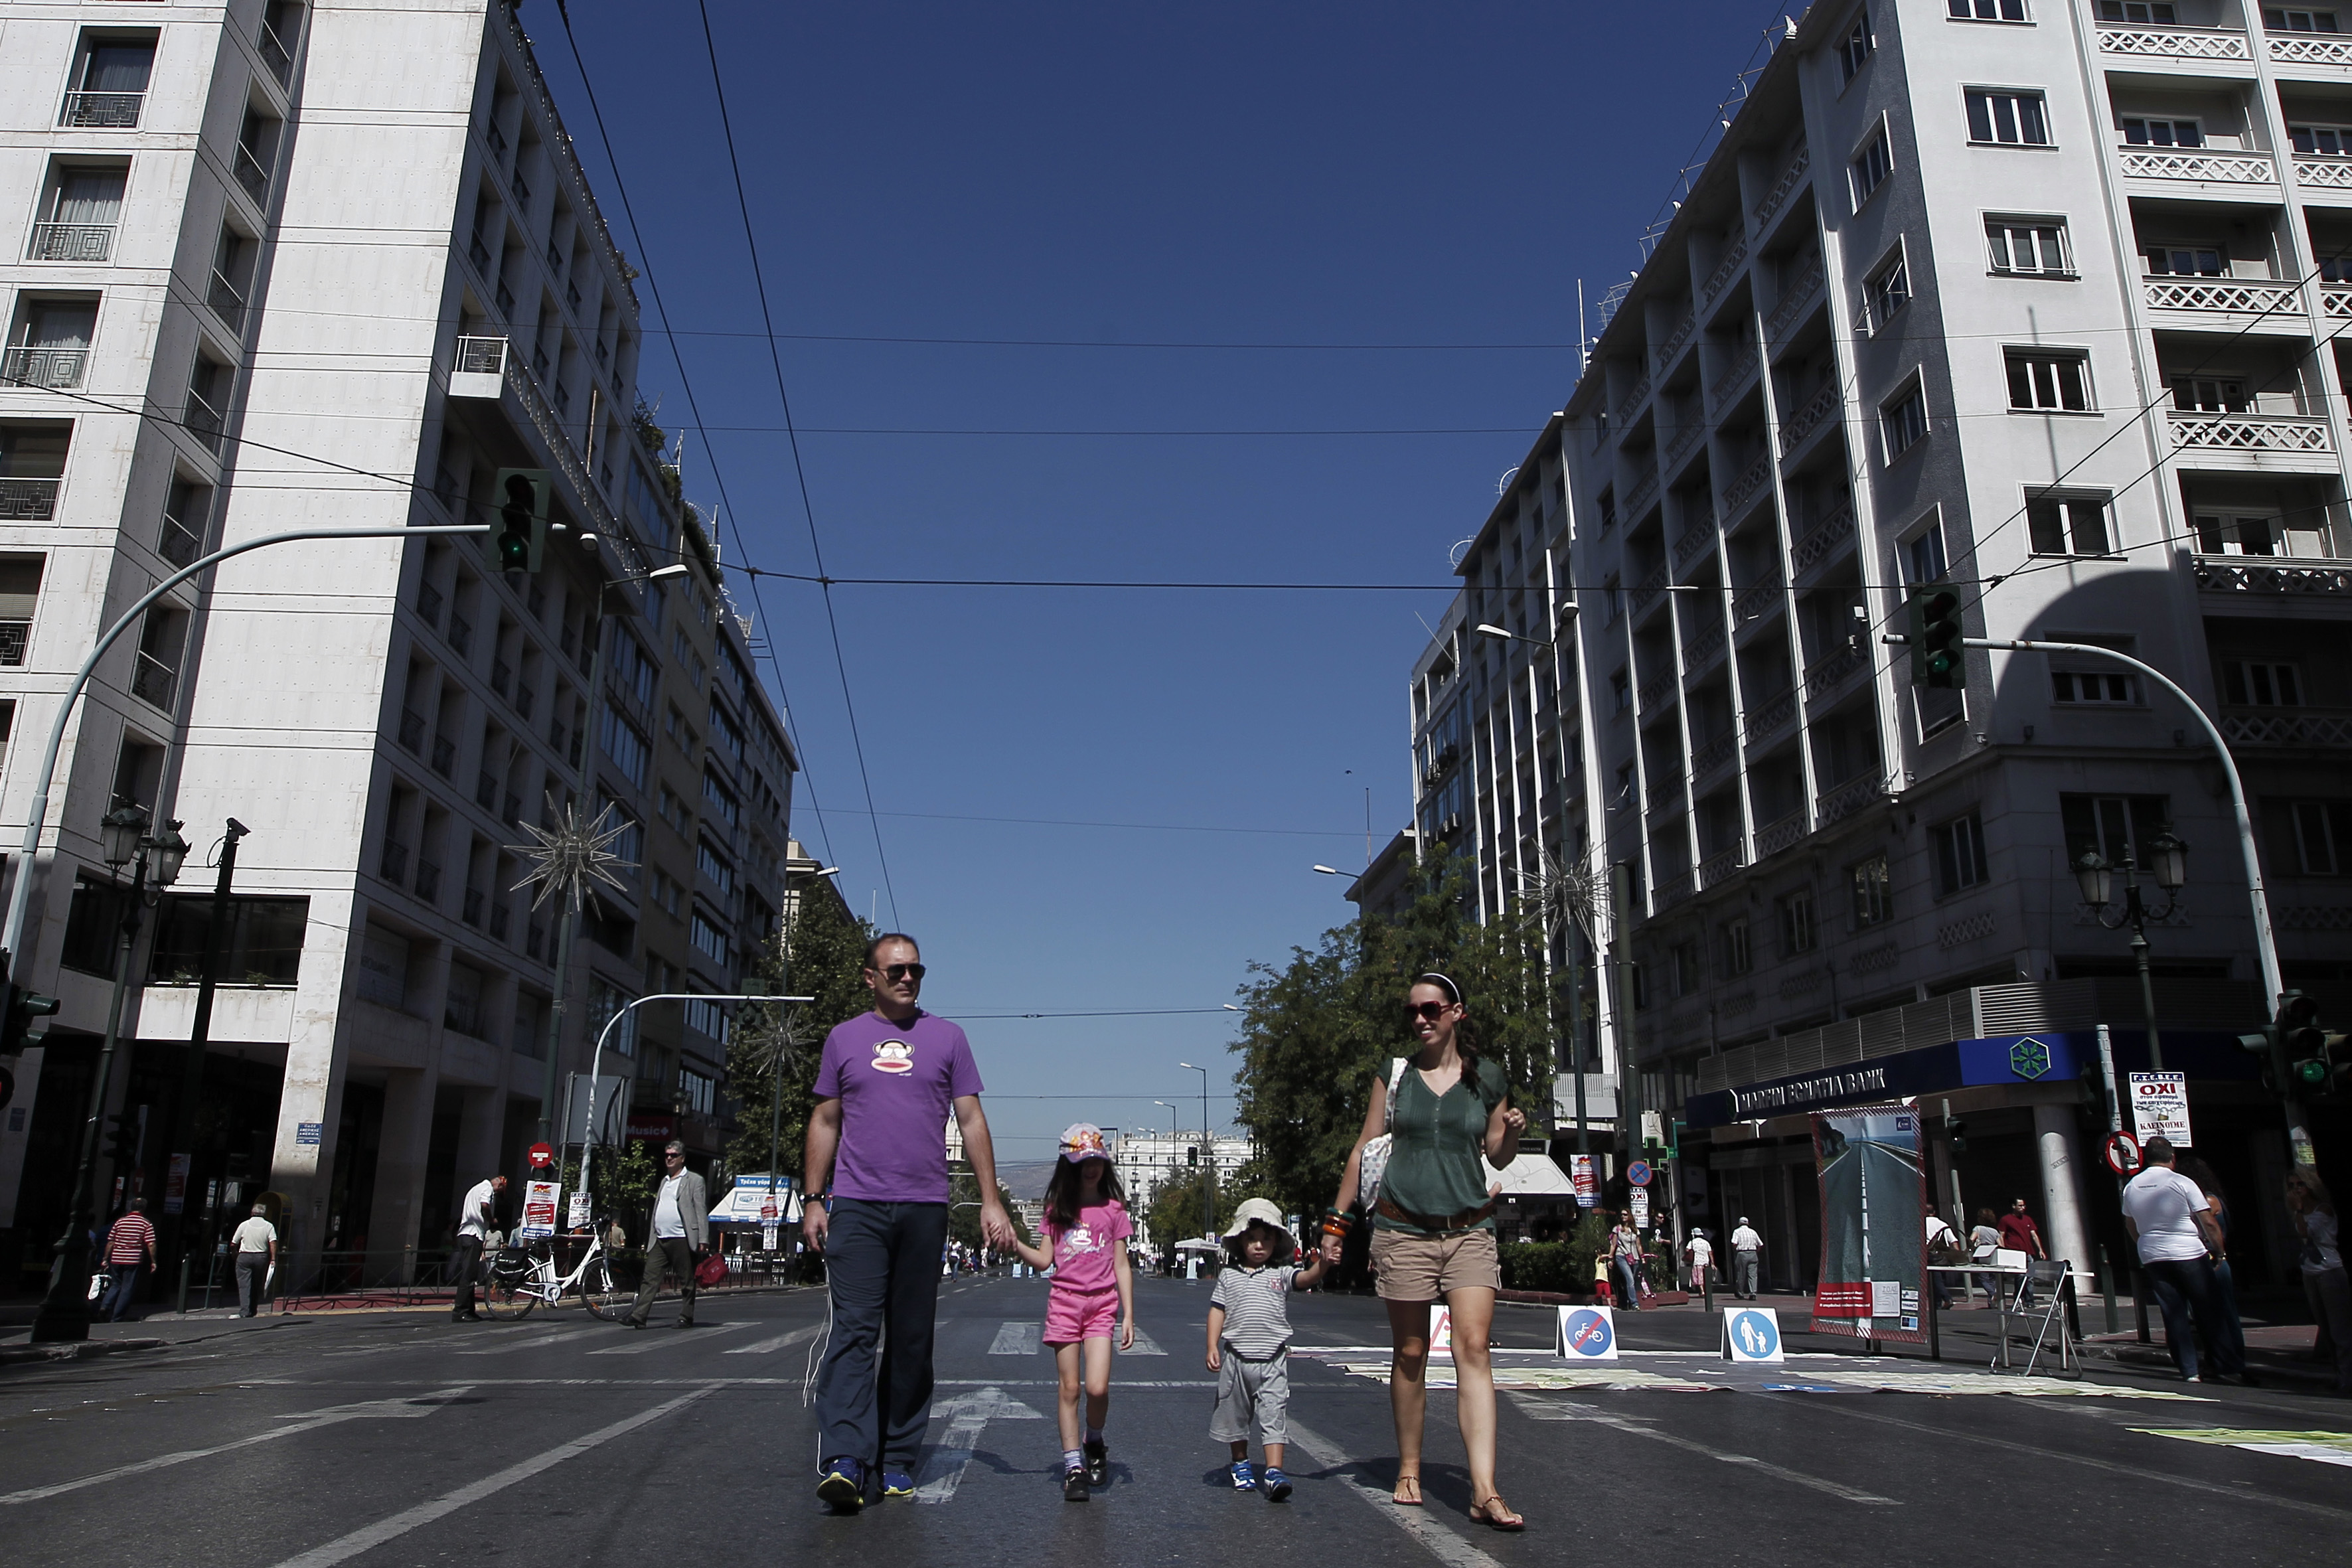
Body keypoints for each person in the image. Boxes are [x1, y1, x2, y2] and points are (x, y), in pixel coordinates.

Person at [807, 934, 1015, 1511]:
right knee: (853, 1333)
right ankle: (846, 1459)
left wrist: (992, 1200)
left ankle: (897, 1455)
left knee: (911, 1338)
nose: (907, 977)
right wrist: (813, 1198)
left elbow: (971, 1120)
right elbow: (825, 1118)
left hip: (925, 1207)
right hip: (856, 1205)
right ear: (869, 977)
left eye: (915, 969)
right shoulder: (843, 1038)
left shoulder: (948, 1037)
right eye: (895, 969)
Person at [1321, 971, 1528, 1532]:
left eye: (1431, 1009)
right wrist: (1335, 1225)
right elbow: (1365, 1147)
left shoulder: (1486, 1077)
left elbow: (1498, 1156)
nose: (1420, 1019)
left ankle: (1483, 1489)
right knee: (1410, 1351)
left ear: (1455, 1012)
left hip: (1468, 1230)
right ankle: (1408, 1468)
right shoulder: (1396, 1076)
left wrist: (1510, 1130)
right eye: (1412, 1011)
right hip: (1402, 1230)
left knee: (1474, 1349)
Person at [1006, 1124, 1136, 1502]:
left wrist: (1128, 1314)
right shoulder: (1057, 1210)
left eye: (1096, 1160)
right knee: (1069, 1388)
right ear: (1069, 1165)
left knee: (1098, 1387)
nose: (1090, 1168)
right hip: (1065, 1303)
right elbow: (1045, 1259)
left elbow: (1122, 1264)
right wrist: (1014, 1244)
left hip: (1101, 1305)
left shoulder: (1113, 1210)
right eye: (1082, 1162)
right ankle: (1073, 1465)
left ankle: (1093, 1440)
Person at [1208, 1198, 1327, 1500]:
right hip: (1236, 1359)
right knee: (1235, 1416)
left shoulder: (1281, 1274)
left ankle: (1274, 1471)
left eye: (1265, 1240)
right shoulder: (1229, 1276)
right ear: (1240, 1242)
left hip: (1273, 1360)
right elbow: (1217, 1310)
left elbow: (1306, 1278)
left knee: (1274, 1414)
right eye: (1252, 1240)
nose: (1258, 1246)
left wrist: (1323, 1264)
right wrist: (1212, 1344)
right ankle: (1240, 1462)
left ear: (1276, 1242)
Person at [2120, 1137, 2246, 1385]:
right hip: (2188, 1252)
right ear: (2172, 1157)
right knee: (2209, 1310)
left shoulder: (2132, 1186)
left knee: (2173, 1313)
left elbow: (2130, 1223)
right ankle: (2225, 1365)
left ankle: (2189, 1370)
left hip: (2153, 1255)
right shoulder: (2181, 1182)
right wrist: (2219, 1251)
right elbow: (2208, 1221)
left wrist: (2144, 1243)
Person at [2175, 1155, 2247, 1382]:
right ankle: (2221, 1360)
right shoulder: (2214, 1198)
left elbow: (2209, 1226)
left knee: (2221, 1313)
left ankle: (2231, 1361)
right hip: (2213, 1259)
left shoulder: (2207, 1201)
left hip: (2212, 1259)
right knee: (2215, 1313)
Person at [623, 1141, 709, 1329]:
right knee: (649, 1277)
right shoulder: (664, 1181)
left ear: (682, 1158)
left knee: (686, 1280)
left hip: (682, 1238)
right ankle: (639, 1315)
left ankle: (686, 1316)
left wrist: (703, 1238)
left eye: (674, 1155)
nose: (669, 1158)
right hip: (660, 1238)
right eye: (667, 1155)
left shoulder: (694, 1180)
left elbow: (700, 1210)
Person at [2284, 1170, 2352, 1397]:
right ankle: (2338, 1373)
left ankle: (2347, 1376)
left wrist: (2300, 1209)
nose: (2297, 1188)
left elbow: (2307, 1234)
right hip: (2310, 1270)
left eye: (2301, 1184)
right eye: (2292, 1185)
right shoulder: (2299, 1212)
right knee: (2324, 1323)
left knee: (2339, 1327)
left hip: (2329, 1270)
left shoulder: (2322, 1209)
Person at [449, 1172, 507, 1322]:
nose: (496, 1195)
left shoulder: (474, 1189)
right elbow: (484, 1205)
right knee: (469, 1276)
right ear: (499, 1185)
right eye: (499, 1192)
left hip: (464, 1235)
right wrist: (491, 1220)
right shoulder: (487, 1188)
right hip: (473, 1235)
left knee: (471, 1274)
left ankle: (470, 1310)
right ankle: (460, 1311)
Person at [98, 1199, 156, 1322]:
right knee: (127, 1288)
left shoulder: (120, 1222)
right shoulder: (146, 1223)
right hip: (133, 1259)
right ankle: (117, 1316)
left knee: (116, 1284)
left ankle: (105, 1306)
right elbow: (151, 1244)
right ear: (143, 1209)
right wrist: (153, 1261)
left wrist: (105, 1259)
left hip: (116, 1258)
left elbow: (111, 1242)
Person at [231, 1202, 277, 1317]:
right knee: (256, 1283)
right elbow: (273, 1243)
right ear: (264, 1213)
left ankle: (245, 1311)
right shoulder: (269, 1226)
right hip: (261, 1257)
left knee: (244, 1285)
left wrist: (235, 1254)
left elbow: (233, 1243)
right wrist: (273, 1258)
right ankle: (253, 1309)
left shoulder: (244, 1225)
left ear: (252, 1212)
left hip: (245, 1256)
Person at [1998, 1198, 2047, 1308]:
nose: (2022, 1208)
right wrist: (2003, 1250)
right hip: (2015, 1252)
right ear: (2013, 1206)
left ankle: (2030, 1301)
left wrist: (2040, 1249)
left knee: (2030, 1277)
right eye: (2020, 1206)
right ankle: (2019, 1298)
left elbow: (2034, 1235)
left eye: (2023, 1206)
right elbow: (2001, 1235)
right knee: (2020, 1276)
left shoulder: (2028, 1219)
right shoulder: (2006, 1220)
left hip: (2028, 1252)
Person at [1924, 1210, 1962, 1311]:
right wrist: (1957, 1256)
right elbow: (1953, 1241)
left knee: (1935, 1281)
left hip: (1929, 1256)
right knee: (1939, 1280)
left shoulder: (1920, 1224)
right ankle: (1937, 1305)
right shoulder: (1943, 1224)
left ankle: (1947, 1298)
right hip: (1943, 1257)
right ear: (1934, 1212)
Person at [1608, 1216, 1645, 1312]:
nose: (1623, 1216)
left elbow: (1638, 1245)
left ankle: (1624, 1302)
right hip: (1621, 1256)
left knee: (1629, 1282)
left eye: (1625, 1214)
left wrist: (1642, 1257)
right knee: (1630, 1279)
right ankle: (1635, 1304)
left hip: (1634, 1258)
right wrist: (1610, 1258)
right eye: (1622, 1215)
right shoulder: (1617, 1229)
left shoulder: (1635, 1230)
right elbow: (1613, 1245)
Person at [1968, 1208, 2003, 1308]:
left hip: (1982, 1253)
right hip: (1992, 1253)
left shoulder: (1978, 1228)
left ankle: (1993, 1293)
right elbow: (2001, 1244)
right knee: (1992, 1279)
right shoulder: (1995, 1232)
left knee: (1983, 1278)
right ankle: (1991, 1303)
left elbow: (1971, 1239)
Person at [1729, 1216, 1763, 1299]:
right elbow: (1760, 1244)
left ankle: (1740, 1292)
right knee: (1753, 1275)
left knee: (1741, 1274)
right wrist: (1755, 1252)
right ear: (1748, 1223)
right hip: (1753, 1252)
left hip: (1742, 1253)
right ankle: (1753, 1293)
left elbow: (1734, 1243)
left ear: (1740, 1223)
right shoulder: (1753, 1232)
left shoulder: (1737, 1231)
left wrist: (1735, 1250)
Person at [1683, 1227, 1714, 1298]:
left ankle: (1702, 1291)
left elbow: (1687, 1249)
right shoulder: (1706, 1242)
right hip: (1705, 1261)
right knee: (1704, 1276)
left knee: (1699, 1277)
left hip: (1697, 1261)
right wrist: (1712, 1263)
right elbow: (1710, 1253)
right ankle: (1706, 1290)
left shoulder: (1692, 1242)